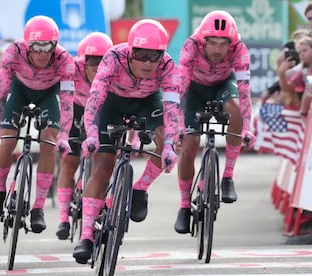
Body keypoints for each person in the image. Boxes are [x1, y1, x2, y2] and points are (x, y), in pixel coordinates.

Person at [72, 19, 181, 264]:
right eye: (141, 55)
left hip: (147, 103)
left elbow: (172, 107)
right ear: (130, 52)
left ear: (162, 56)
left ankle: (140, 187)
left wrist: (171, 146)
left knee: (166, 138)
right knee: (102, 167)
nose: (147, 62)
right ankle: (86, 236)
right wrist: (90, 132)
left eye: (154, 56)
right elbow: (96, 95)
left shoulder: (168, 66)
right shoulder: (113, 57)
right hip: (111, 103)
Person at [0, 15, 75, 234]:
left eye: (48, 47)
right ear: (27, 45)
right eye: (36, 47)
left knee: (48, 143)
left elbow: (66, 102)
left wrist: (64, 135)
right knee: (7, 140)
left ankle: (38, 207)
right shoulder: (13, 52)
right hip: (20, 90)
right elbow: (1, 93)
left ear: (55, 45)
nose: (43, 53)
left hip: (49, 93)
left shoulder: (64, 59)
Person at [174, 10, 256, 234]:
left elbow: (244, 90)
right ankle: (183, 205)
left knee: (235, 108)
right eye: (212, 43)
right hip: (194, 90)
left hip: (222, 85)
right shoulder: (191, 45)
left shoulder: (239, 49)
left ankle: (227, 177)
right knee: (189, 147)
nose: (218, 50)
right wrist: (179, 127)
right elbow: (180, 87)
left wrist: (246, 127)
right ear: (203, 41)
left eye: (223, 44)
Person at [55, 32, 113, 240]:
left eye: (102, 61)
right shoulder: (72, 70)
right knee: (69, 163)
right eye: (92, 61)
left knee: (103, 164)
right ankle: (63, 218)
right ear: (82, 62)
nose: (97, 67)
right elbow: (59, 98)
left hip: (101, 113)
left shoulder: (114, 72)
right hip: (75, 111)